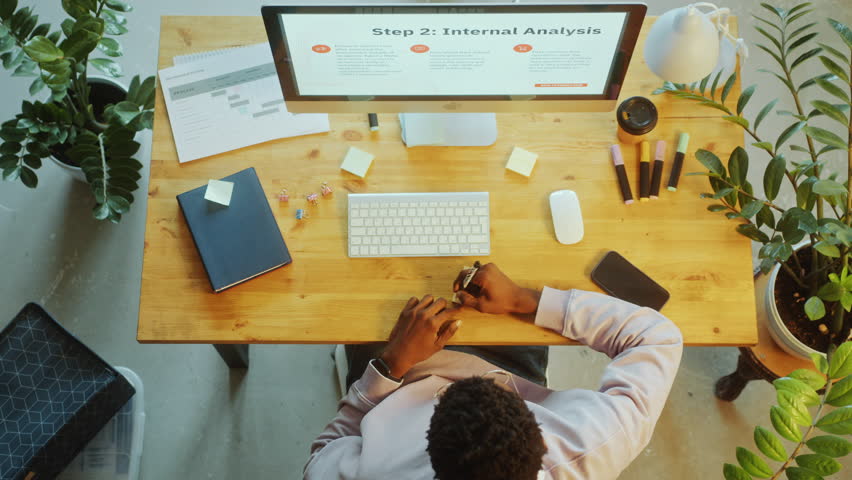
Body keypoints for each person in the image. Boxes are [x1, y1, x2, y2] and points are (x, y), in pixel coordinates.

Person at [304, 263, 683, 479]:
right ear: (539, 436)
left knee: (359, 294)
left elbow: (324, 451)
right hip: (509, 369)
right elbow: (656, 337)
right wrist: (524, 300)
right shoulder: (590, 445)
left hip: (401, 378)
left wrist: (392, 364)